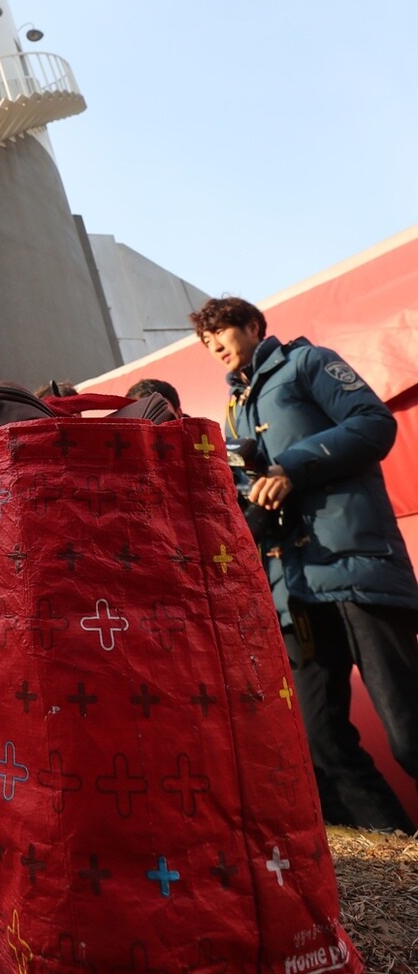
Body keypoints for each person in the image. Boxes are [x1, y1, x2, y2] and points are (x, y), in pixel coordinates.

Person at [190, 294, 418, 832]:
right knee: (319, 742)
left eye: (219, 333)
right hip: (294, 594)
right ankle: (399, 860)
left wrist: (291, 467)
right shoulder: (232, 409)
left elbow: (373, 422)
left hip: (357, 569)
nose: (214, 347)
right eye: (205, 342)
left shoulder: (309, 363)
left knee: (410, 732)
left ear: (250, 325)